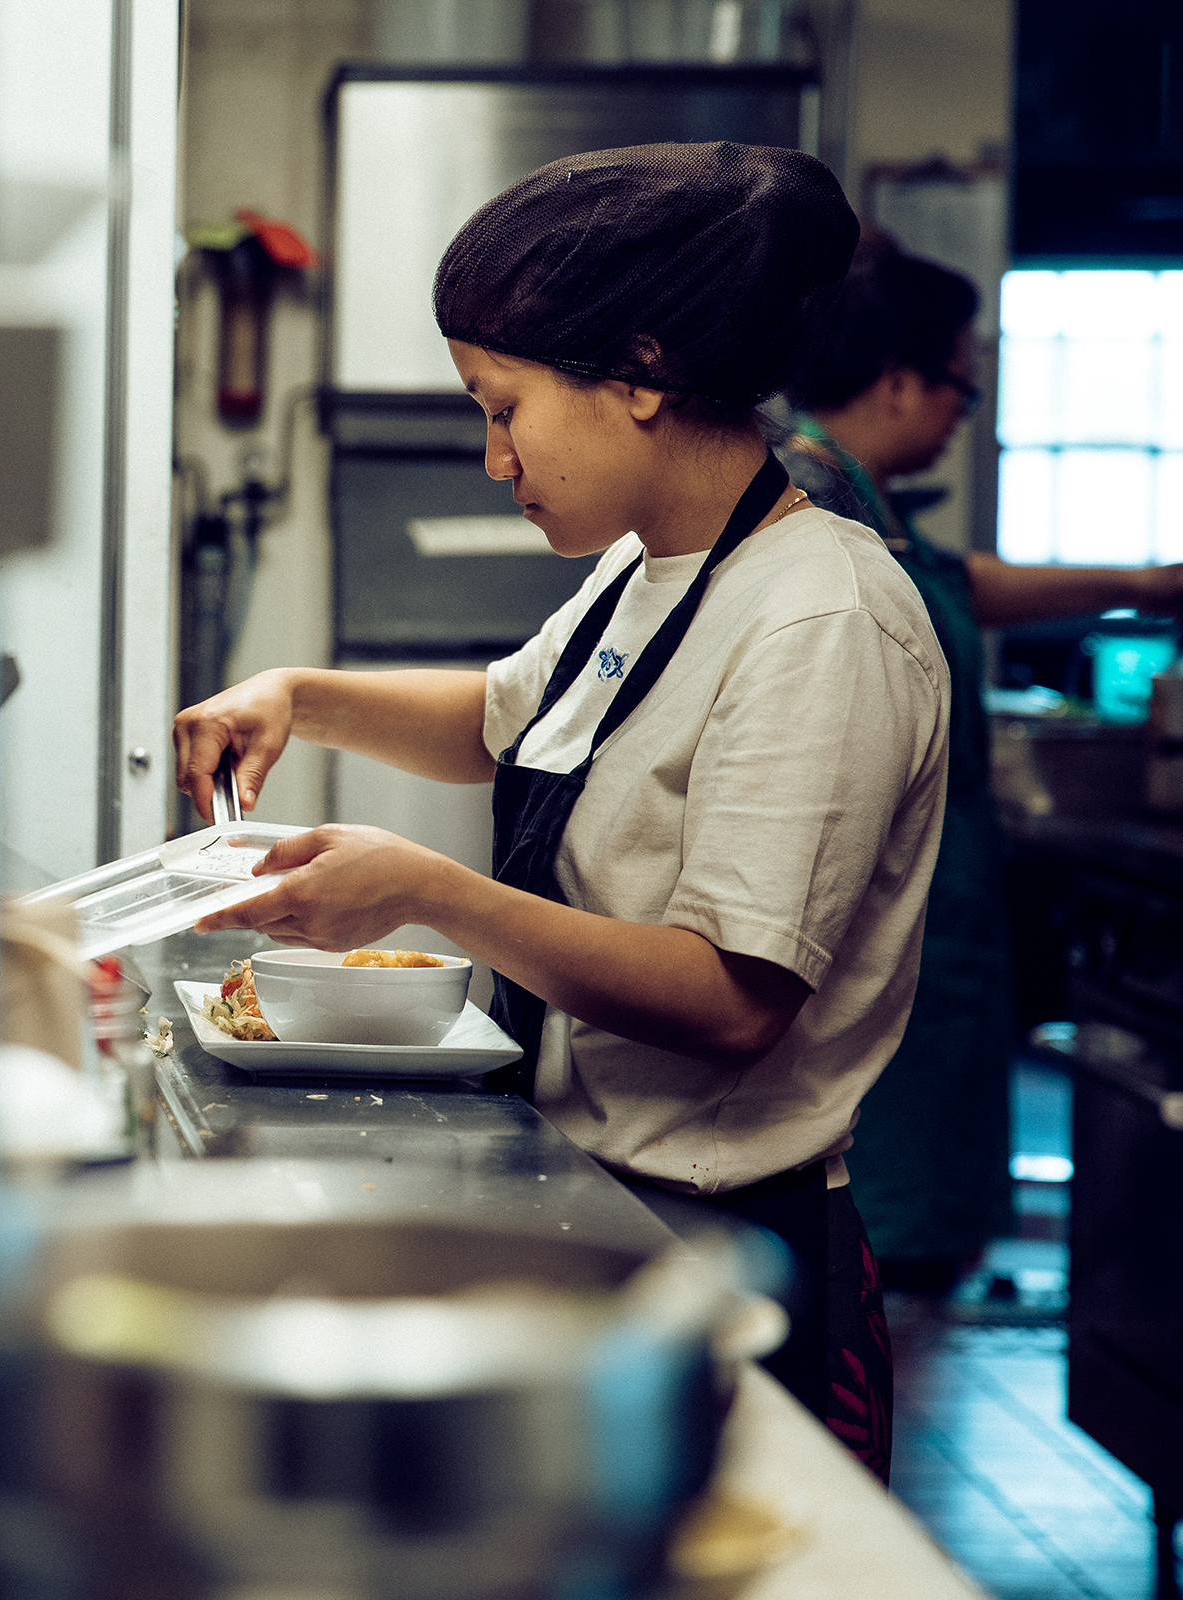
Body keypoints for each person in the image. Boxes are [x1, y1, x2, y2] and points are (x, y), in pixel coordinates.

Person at [172, 144, 947, 1481]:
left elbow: (732, 998)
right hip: (596, 1206)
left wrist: (423, 888)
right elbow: (503, 716)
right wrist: (300, 693)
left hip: (730, 1258)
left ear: (641, 377)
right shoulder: (648, 573)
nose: (492, 458)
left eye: (504, 408)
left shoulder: (822, 614)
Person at [779, 237, 1183, 1289]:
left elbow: (965, 584)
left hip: (933, 917)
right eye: (961, 383)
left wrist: (1150, 580)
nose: (965, 410)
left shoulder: (863, 499)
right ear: (901, 380)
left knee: (902, 1256)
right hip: (880, 926)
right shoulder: (812, 494)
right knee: (875, 1255)